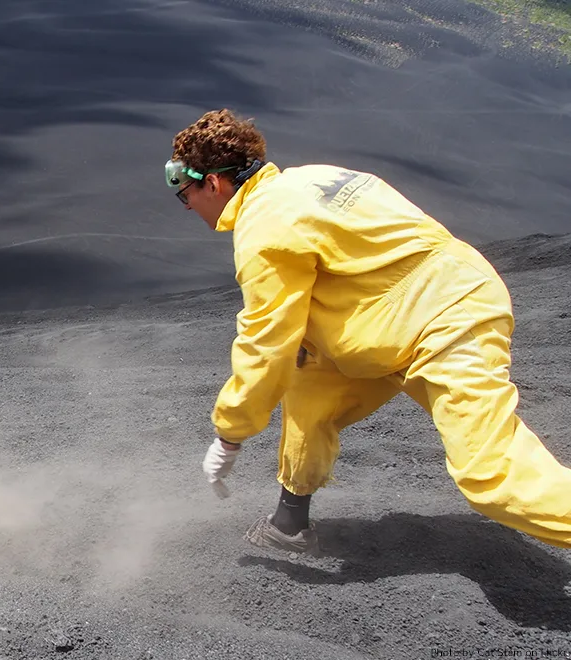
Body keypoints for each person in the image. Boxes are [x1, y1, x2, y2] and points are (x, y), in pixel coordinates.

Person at [170, 108, 571, 553]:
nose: (187, 206)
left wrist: (229, 434)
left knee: (489, 474)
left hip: (447, 319)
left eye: (184, 194)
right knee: (309, 380)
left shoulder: (264, 229)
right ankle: (289, 522)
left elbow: (265, 342)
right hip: (405, 311)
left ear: (213, 182)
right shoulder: (312, 177)